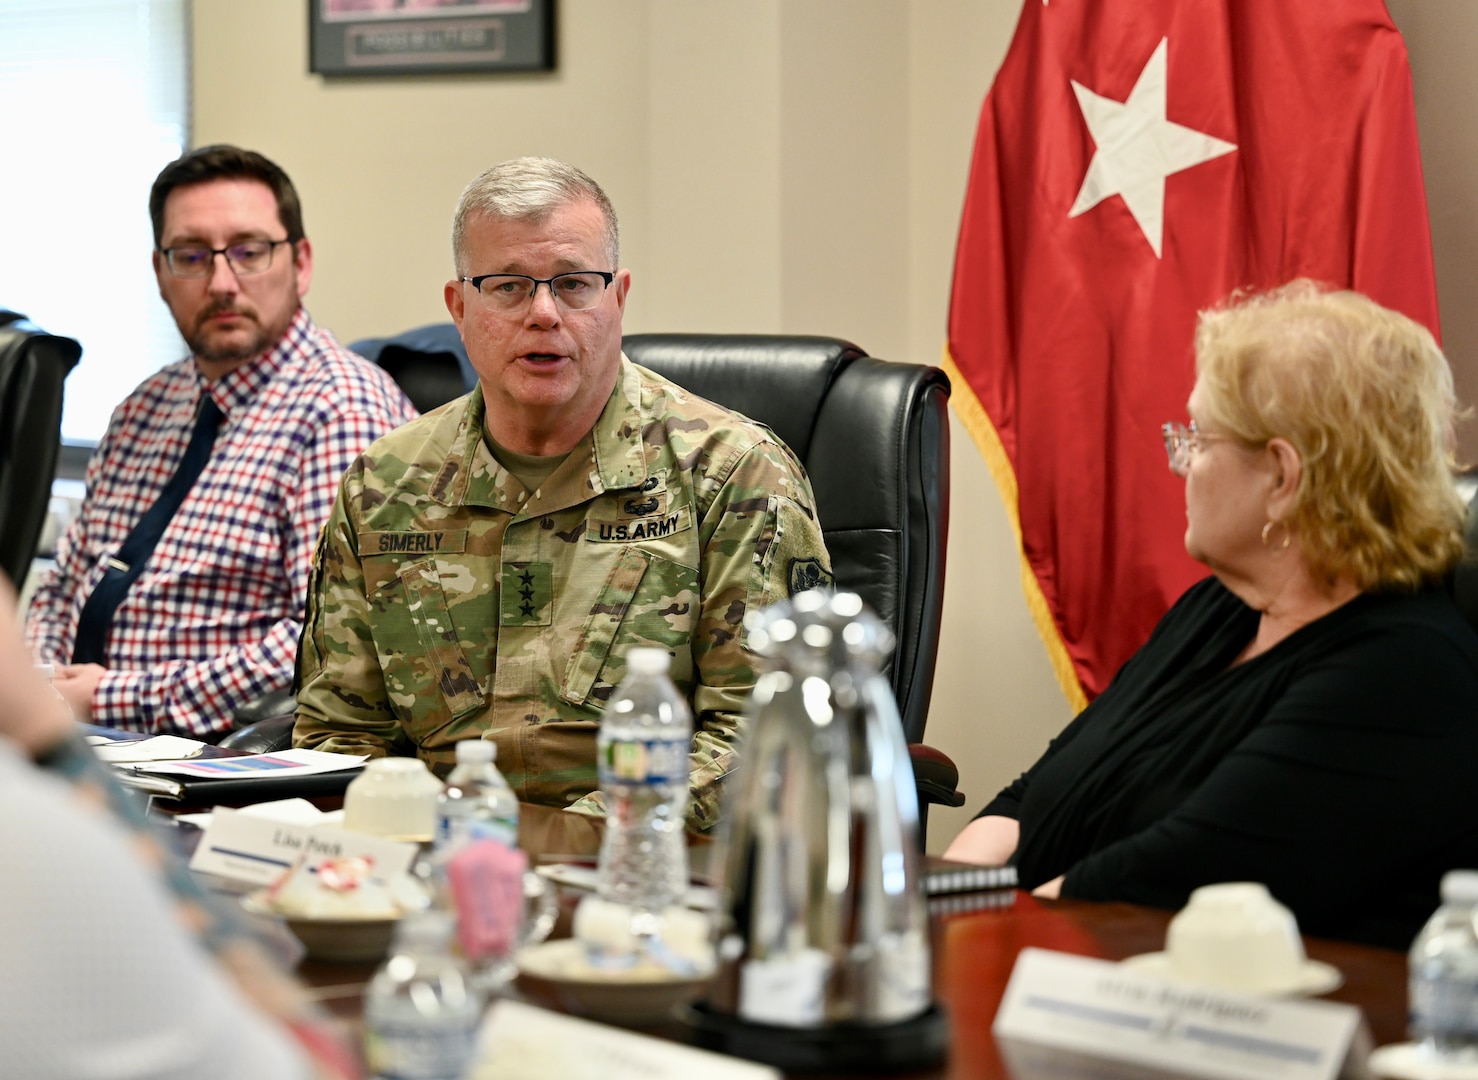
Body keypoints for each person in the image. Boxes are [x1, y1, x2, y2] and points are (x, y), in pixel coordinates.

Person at [293, 156, 830, 831]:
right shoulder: (384, 486)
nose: (544, 313)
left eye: (574, 284)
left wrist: (572, 841)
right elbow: (338, 734)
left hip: (653, 875)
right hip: (432, 870)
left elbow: (763, 739)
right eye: (509, 287)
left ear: (619, 298)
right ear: (460, 308)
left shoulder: (733, 474)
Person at [944, 280, 1478, 948]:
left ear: (1282, 478)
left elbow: (1155, 884)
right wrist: (933, 905)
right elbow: (1039, 795)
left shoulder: (1406, 676)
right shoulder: (1217, 610)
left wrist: (971, 943)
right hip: (1064, 975)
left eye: (1197, 437)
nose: (1182, 463)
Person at [25, 145, 416, 738]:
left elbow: (330, 641)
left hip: (211, 765)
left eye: (249, 252)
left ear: (301, 262)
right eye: (191, 256)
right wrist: (36, 684)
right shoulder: (144, 407)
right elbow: (65, 582)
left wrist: (112, 699)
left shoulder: (340, 411)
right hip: (76, 745)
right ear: (160, 273)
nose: (222, 282)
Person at [0, 582, 360, 1079]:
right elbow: (317, 1061)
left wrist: (94, 698)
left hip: (183, 741)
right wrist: (48, 729)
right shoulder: (40, 841)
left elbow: (302, 635)